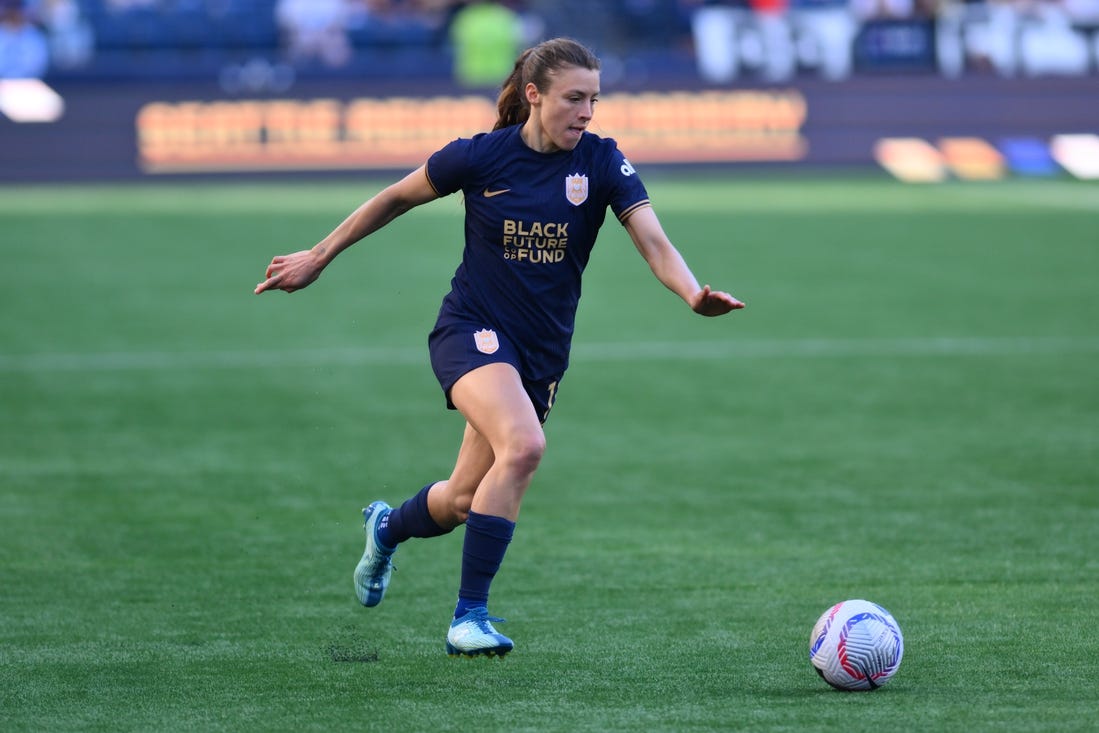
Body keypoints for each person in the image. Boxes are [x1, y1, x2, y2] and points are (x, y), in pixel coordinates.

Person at [254, 37, 745, 658]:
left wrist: (690, 294)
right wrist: (318, 256)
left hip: (540, 356)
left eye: (595, 99)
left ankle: (386, 527)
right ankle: (469, 617)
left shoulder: (601, 162)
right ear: (535, 95)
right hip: (471, 330)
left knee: (461, 499)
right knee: (525, 445)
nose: (588, 112)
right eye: (574, 98)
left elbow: (653, 242)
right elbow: (394, 198)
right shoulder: (481, 157)